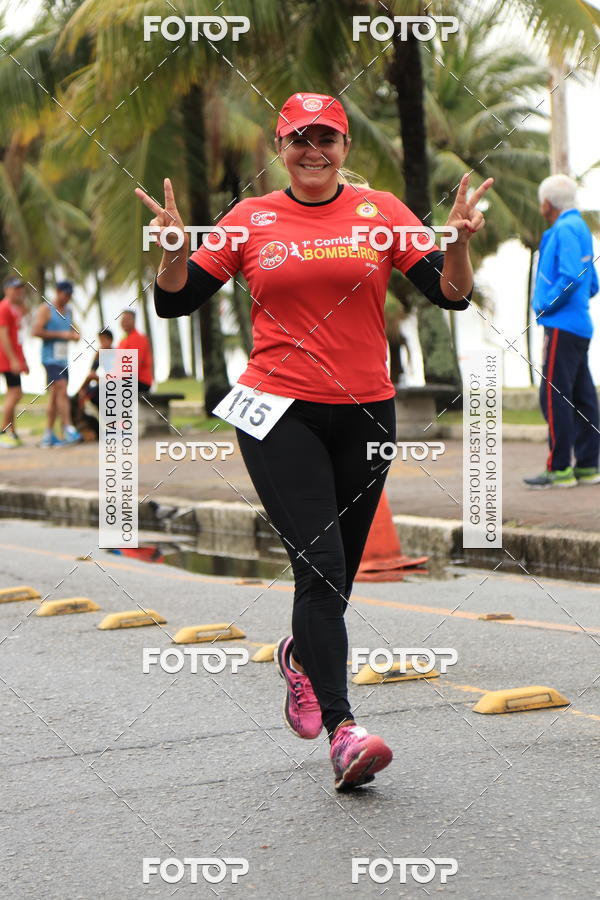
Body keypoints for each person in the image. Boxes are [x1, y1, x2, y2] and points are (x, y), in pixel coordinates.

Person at [136, 92, 492, 791]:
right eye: (298, 139)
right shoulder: (250, 217)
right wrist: (174, 257)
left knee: (333, 580)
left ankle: (302, 658)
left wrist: (459, 247)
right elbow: (176, 300)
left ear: (346, 145)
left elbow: (449, 296)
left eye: (324, 137)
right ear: (281, 146)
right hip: (276, 410)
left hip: (366, 412)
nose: (312, 150)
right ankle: (344, 731)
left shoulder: (381, 211)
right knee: (323, 566)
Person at [524, 175, 599, 488]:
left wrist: (544, 305)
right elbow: (592, 282)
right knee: (583, 396)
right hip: (579, 325)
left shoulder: (563, 229)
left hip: (561, 326)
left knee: (553, 396)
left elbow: (570, 277)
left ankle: (559, 469)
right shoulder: (580, 227)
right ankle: (587, 466)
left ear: (547, 203)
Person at [32, 280, 82, 447]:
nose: (67, 297)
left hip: (63, 360)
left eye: (69, 295)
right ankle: (68, 427)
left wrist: (75, 335)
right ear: (58, 292)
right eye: (65, 294)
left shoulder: (68, 311)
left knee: (55, 396)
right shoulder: (46, 309)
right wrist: (62, 335)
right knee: (61, 387)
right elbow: (36, 331)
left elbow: (73, 330)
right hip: (49, 359)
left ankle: (48, 434)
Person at [0, 277, 29, 448]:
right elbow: (3, 335)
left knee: (16, 392)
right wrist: (13, 360)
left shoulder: (15, 309)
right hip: (6, 358)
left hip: (14, 358)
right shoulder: (4, 307)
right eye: (15, 288)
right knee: (15, 393)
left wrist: (23, 360)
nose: (19, 291)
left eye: (20, 288)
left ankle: (11, 432)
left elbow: (18, 338)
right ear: (7, 290)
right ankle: (4, 431)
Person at [117, 310, 153, 393]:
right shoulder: (123, 340)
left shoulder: (138, 338)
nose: (124, 322)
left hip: (140, 381)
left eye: (127, 319)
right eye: (122, 320)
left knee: (100, 391)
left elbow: (134, 365)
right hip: (126, 380)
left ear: (134, 321)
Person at [78, 328, 114, 409]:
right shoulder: (101, 354)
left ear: (111, 340)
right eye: (100, 341)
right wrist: (97, 356)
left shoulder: (117, 354)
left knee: (93, 388)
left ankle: (78, 393)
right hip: (105, 382)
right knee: (87, 391)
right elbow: (92, 371)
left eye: (104, 340)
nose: (102, 343)